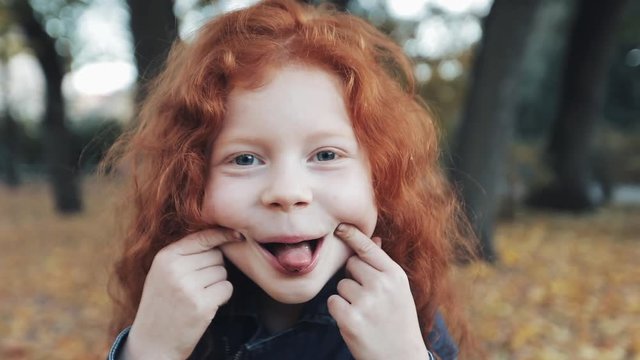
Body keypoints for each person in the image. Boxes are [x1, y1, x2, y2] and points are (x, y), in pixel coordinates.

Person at [105, 0, 477, 359]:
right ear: (190, 181)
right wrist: (149, 351)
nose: (287, 192)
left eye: (326, 155)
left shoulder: (404, 310)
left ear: (378, 178)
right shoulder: (172, 306)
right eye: (245, 159)